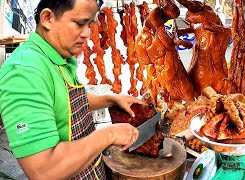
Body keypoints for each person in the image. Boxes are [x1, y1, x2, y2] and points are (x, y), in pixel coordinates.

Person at [0, 0, 144, 179]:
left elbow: (69, 101)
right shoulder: (25, 72)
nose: (87, 34)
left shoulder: (58, 57)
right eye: (79, 23)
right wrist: (110, 134)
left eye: (90, 24)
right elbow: (43, 170)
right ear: (47, 18)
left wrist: (112, 99)